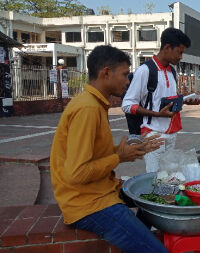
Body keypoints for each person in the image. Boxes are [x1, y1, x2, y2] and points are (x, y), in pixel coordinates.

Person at [50, 45, 168, 253]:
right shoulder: (87, 108)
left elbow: (93, 155)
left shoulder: (95, 104)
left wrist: (130, 150)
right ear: (106, 73)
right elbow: (77, 173)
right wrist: (119, 157)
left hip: (102, 190)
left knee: (157, 196)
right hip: (89, 204)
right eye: (124, 75)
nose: (127, 81)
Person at [121, 27, 200, 174]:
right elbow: (127, 104)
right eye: (180, 52)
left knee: (167, 175)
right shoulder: (145, 71)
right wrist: (157, 114)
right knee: (155, 177)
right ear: (167, 47)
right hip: (153, 134)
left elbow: (164, 100)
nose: (181, 57)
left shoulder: (172, 71)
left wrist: (185, 101)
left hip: (171, 132)